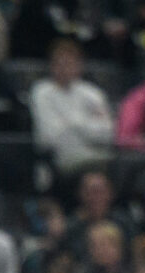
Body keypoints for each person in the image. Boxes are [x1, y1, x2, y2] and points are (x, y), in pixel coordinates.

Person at [29, 35, 113, 179]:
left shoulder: (93, 93)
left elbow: (108, 133)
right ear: (51, 65)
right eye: (59, 63)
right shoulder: (41, 92)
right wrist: (87, 126)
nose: (64, 68)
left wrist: (73, 125)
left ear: (80, 66)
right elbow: (49, 136)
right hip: (60, 159)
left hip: (98, 156)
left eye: (69, 63)